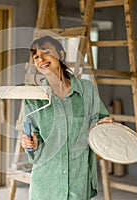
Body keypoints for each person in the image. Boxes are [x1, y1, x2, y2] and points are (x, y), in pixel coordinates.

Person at [21, 35, 114, 200]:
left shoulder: (87, 90)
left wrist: (103, 126)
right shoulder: (32, 98)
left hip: (77, 182)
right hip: (46, 184)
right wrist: (30, 144)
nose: (40, 58)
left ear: (61, 55)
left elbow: (101, 124)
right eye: (36, 57)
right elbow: (33, 142)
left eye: (46, 52)